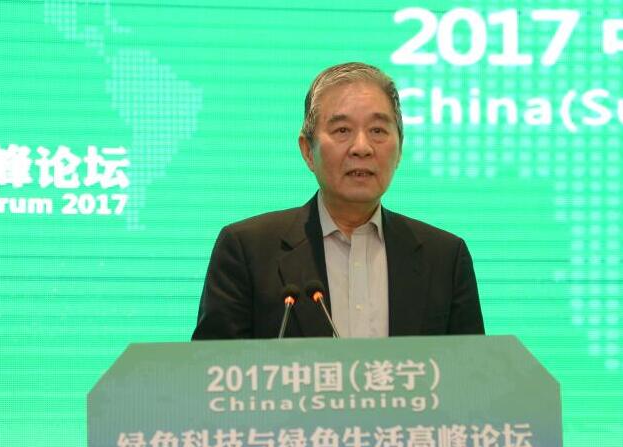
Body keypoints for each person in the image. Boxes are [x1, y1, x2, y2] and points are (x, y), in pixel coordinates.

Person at [192, 62, 484, 340]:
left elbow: (474, 370)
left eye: (378, 131)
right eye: (342, 130)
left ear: (400, 149)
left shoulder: (445, 259)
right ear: (308, 151)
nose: (362, 148)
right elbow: (213, 369)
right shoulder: (247, 251)